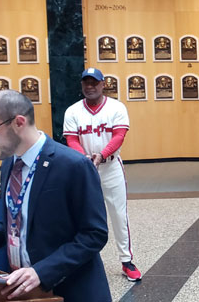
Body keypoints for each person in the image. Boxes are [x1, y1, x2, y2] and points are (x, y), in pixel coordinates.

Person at [0, 90, 111, 301]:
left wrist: (42, 271)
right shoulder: (9, 164)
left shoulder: (73, 165)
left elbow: (93, 234)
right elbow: (10, 224)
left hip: (70, 290)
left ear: (19, 123)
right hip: (24, 291)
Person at [63, 68, 142, 282]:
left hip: (110, 167)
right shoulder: (72, 111)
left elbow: (119, 136)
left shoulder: (116, 107)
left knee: (118, 214)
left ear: (102, 84)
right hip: (84, 169)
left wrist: (102, 155)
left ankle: (126, 261)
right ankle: (80, 260)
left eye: (94, 82)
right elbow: (71, 140)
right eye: (86, 82)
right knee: (82, 216)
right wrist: (85, 159)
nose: (90, 86)